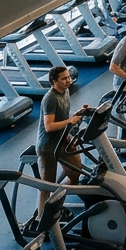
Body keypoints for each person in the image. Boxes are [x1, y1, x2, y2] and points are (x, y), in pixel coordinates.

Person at [36, 65, 87, 216]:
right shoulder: (50, 98)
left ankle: (54, 203)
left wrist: (78, 115)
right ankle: (42, 221)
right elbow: (49, 126)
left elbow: (63, 117)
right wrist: (70, 121)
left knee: (76, 174)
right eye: (64, 78)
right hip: (48, 147)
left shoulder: (65, 92)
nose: (68, 81)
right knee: (47, 187)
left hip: (63, 140)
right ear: (54, 81)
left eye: (68, 77)